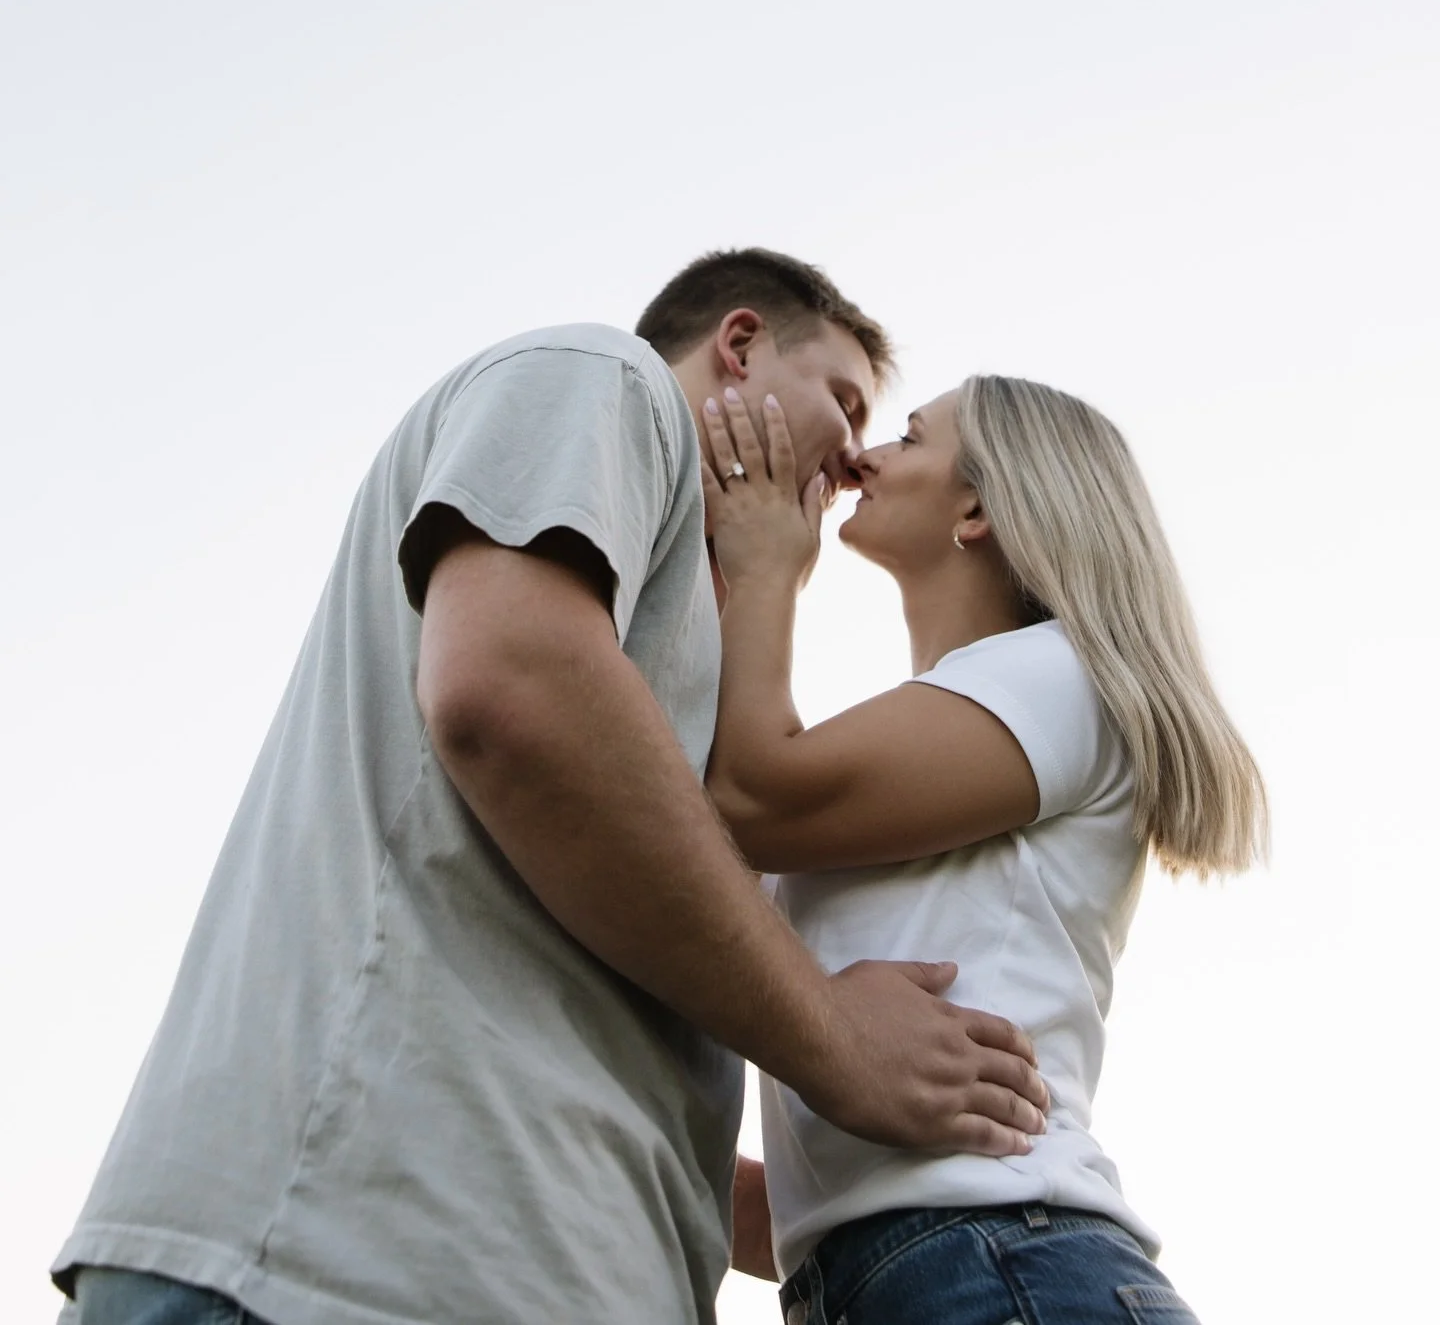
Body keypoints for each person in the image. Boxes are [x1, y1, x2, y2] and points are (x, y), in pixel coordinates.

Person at [52, 250, 1048, 1325]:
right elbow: (511, 694)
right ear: (741, 343)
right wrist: (836, 1038)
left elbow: (583, 1025)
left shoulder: (679, 644)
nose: (853, 452)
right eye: (845, 399)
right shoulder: (603, 378)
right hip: (346, 1261)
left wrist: (817, 1199)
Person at [701, 373, 1268, 1323]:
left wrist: (764, 568)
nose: (864, 456)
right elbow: (838, 1188)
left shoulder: (1061, 675)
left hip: (996, 1262)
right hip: (911, 1274)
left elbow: (751, 795)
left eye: (911, 437)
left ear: (977, 504)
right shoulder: (937, 756)